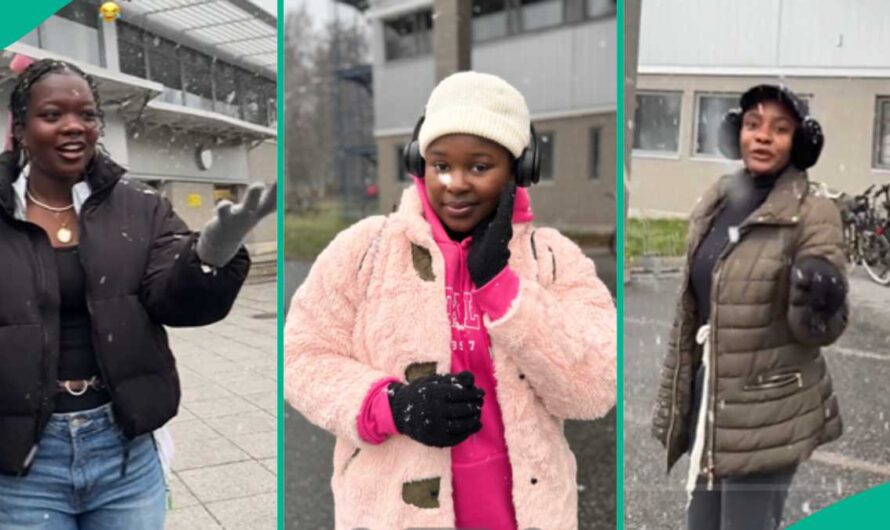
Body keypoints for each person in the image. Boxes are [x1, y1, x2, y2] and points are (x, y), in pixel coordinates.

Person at [284, 71, 616, 530]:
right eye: (441, 164)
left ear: (520, 169)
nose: (455, 183)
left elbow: (594, 388)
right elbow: (302, 358)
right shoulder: (364, 251)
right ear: (420, 164)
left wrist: (502, 287)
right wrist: (391, 405)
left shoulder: (553, 260)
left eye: (479, 166)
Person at [0, 58, 275, 529]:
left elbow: (173, 300)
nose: (74, 127)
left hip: (122, 450)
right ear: (20, 129)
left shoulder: (140, 205)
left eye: (87, 115)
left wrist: (211, 254)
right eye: (53, 115)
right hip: (21, 459)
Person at [650, 84, 847, 530]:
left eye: (780, 129)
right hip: (712, 401)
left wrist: (821, 294)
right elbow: (695, 306)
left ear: (799, 142)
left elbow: (822, 328)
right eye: (753, 125)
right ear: (736, 133)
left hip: (768, 408)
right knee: (701, 523)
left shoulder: (813, 213)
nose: (762, 137)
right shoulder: (718, 199)